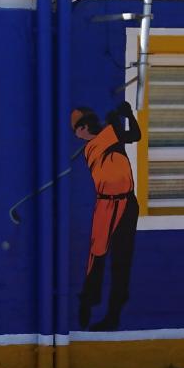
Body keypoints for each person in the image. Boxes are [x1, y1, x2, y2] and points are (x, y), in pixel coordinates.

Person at [71, 100, 141, 331]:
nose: (76, 135)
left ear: (83, 128)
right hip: (105, 204)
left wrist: (127, 115)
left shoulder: (109, 135)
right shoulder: (95, 146)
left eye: (76, 130)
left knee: (121, 260)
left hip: (126, 204)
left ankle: (113, 314)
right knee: (97, 256)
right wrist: (118, 120)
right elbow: (122, 136)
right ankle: (88, 301)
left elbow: (135, 135)